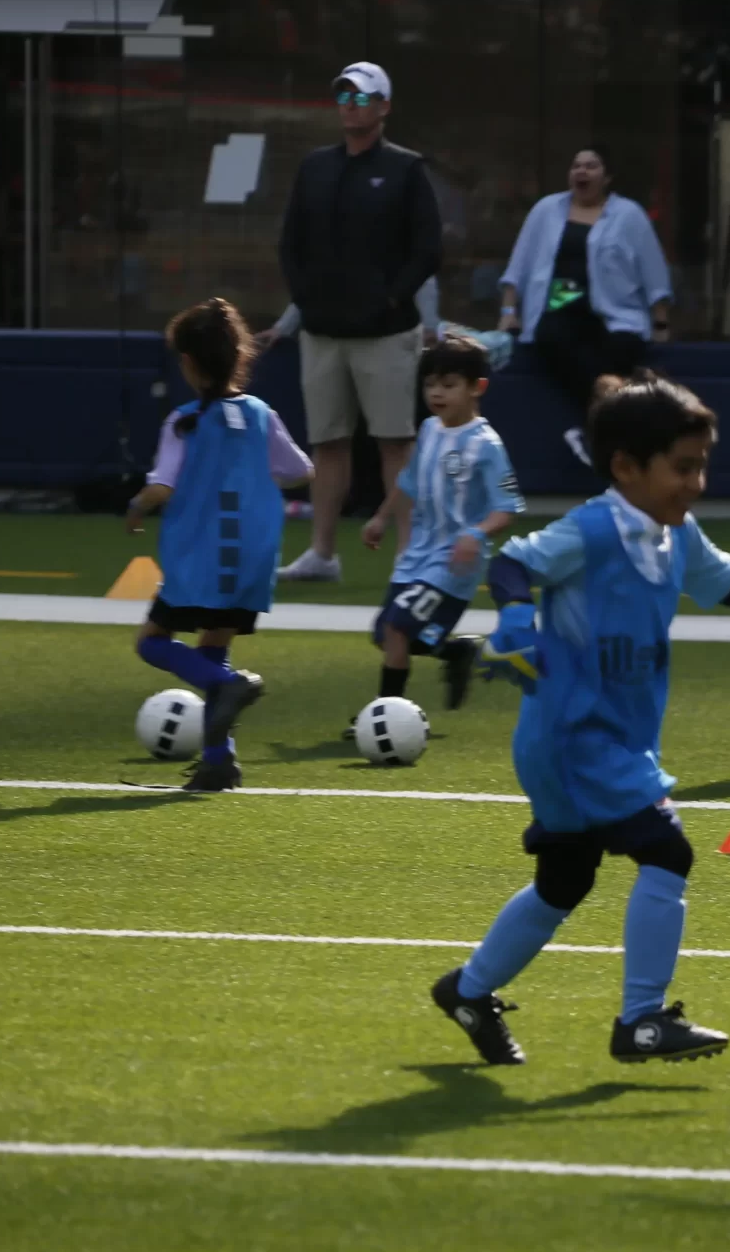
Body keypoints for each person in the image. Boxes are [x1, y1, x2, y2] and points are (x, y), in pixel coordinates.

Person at [429, 376, 730, 1068]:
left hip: (610, 739)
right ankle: (641, 1020)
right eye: (682, 466)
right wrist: (518, 622)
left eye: (701, 464)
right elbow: (515, 565)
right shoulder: (593, 528)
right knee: (667, 849)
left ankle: (468, 991)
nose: (696, 481)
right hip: (573, 737)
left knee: (565, 882)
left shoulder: (676, 535)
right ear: (626, 467)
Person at [122, 298, 315, 793]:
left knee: (152, 642)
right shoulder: (260, 415)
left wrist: (138, 505)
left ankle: (224, 688)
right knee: (214, 648)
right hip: (251, 562)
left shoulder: (184, 421)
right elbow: (300, 471)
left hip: (200, 562)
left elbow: (162, 487)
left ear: (187, 362)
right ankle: (218, 761)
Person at [270, 62, 443, 586]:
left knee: (395, 442)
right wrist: (307, 298)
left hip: (386, 334)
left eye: (364, 98)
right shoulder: (315, 166)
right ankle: (322, 553)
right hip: (323, 332)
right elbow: (291, 243)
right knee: (327, 443)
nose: (352, 105)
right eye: (345, 95)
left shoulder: (407, 169)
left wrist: (389, 300)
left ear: (384, 107)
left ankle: (407, 557)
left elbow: (427, 249)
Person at [358, 333, 525, 716]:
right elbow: (410, 481)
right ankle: (457, 650)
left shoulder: (487, 445)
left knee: (399, 629)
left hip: (452, 563)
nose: (436, 393)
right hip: (417, 555)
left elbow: (507, 507)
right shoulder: (431, 430)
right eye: (430, 383)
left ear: (477, 388)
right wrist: (382, 517)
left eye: (449, 385)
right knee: (387, 635)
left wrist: (476, 534)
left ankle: (384, 714)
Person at [498, 147, 673, 467]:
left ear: (606, 177)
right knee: (550, 338)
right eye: (576, 165)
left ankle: (594, 430)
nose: (582, 171)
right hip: (561, 302)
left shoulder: (629, 215)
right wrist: (509, 313)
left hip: (615, 311)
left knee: (622, 347)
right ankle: (610, 426)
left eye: (591, 166)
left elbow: (654, 272)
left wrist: (660, 323)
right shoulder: (546, 210)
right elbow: (519, 266)